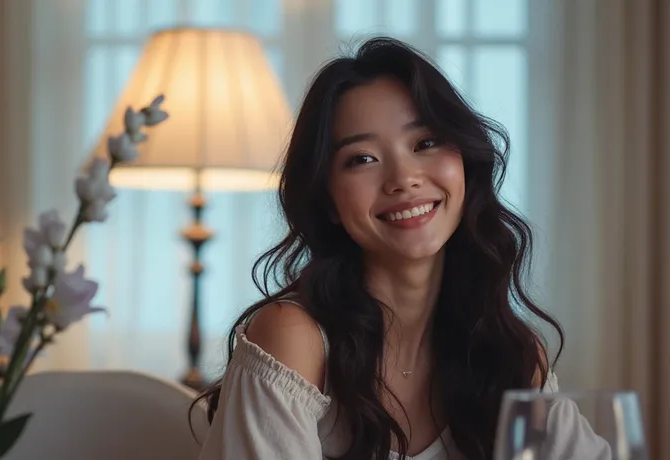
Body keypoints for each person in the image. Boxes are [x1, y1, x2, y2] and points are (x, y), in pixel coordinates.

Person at [192, 37, 564, 460]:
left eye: (425, 143)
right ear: (328, 199)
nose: (403, 178)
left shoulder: (511, 353)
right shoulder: (294, 339)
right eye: (362, 159)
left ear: (465, 162)